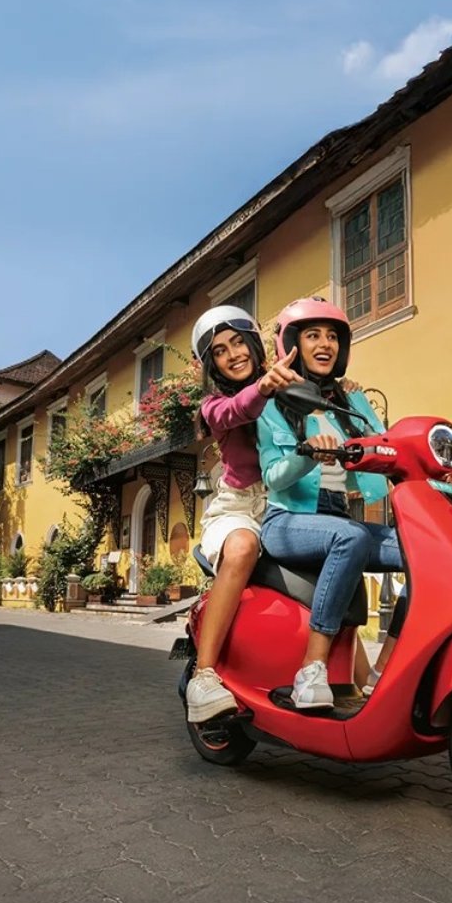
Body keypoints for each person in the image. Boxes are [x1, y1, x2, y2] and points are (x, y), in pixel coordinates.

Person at [254, 297, 407, 709]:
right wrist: (307, 455)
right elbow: (272, 477)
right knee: (350, 537)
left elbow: (387, 447)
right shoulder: (271, 403)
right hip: (288, 520)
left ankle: (384, 671)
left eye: (332, 337)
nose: (325, 344)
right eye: (313, 335)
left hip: (339, 515)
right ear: (293, 344)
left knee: (427, 550)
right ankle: (311, 668)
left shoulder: (352, 401)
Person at [184, 305, 303, 722]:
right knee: (241, 548)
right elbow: (238, 411)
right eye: (219, 351)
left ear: (253, 344)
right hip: (238, 509)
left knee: (334, 564)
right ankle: (203, 676)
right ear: (212, 365)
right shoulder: (214, 406)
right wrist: (265, 387)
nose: (233, 354)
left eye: (238, 342)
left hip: (285, 504)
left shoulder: (288, 386)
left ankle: (353, 682)